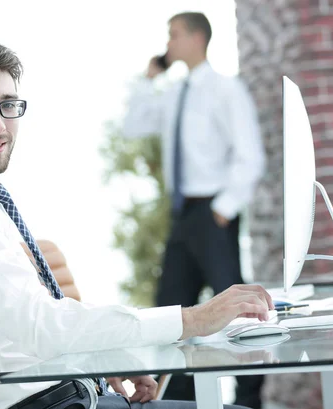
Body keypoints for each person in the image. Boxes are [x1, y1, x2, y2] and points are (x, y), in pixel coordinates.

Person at [0, 35, 273, 409]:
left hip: (68, 392)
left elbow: (21, 328)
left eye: (7, 105)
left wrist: (103, 359)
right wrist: (192, 318)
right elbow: (39, 326)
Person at [122, 12, 267, 408]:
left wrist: (221, 211)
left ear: (197, 37)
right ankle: (179, 401)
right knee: (171, 312)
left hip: (212, 215)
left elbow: (249, 156)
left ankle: (250, 400)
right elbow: (132, 126)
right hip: (182, 216)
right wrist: (148, 78)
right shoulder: (173, 92)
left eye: (174, 35)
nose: (168, 43)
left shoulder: (225, 89)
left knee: (239, 313)